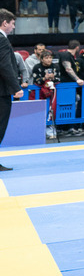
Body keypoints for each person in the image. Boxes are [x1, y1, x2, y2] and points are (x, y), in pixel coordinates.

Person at [0, 9, 23, 171]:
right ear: (4, 23)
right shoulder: (2, 40)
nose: (13, 27)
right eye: (12, 23)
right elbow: (5, 65)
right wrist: (16, 87)